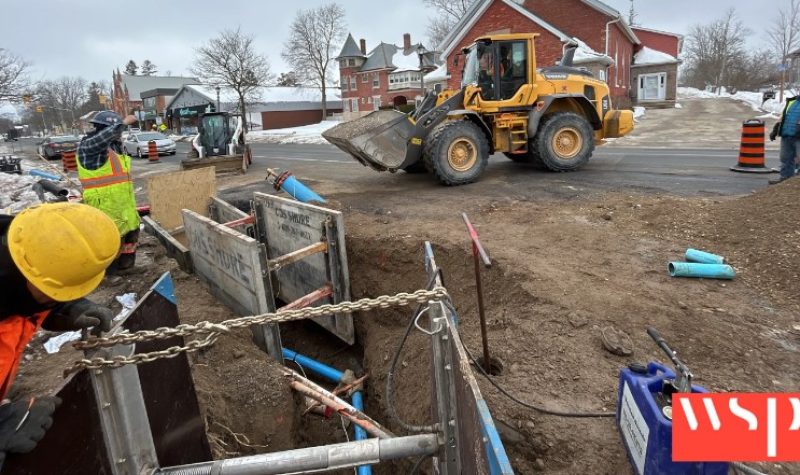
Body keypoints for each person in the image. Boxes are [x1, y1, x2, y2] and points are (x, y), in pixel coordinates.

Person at [0, 202, 119, 464]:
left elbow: (25, 299)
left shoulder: (22, 250)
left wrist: (68, 308)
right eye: (58, 293)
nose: (58, 298)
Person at [77, 111, 141, 273]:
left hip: (124, 209)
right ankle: (110, 274)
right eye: (118, 131)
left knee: (129, 240)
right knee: (110, 244)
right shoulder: (88, 147)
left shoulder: (116, 147)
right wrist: (122, 123)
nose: (120, 134)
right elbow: (101, 139)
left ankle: (126, 269)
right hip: (106, 210)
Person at [769, 96, 800, 184]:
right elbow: (784, 117)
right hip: (786, 135)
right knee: (785, 158)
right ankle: (785, 181)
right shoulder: (792, 101)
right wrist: (776, 129)